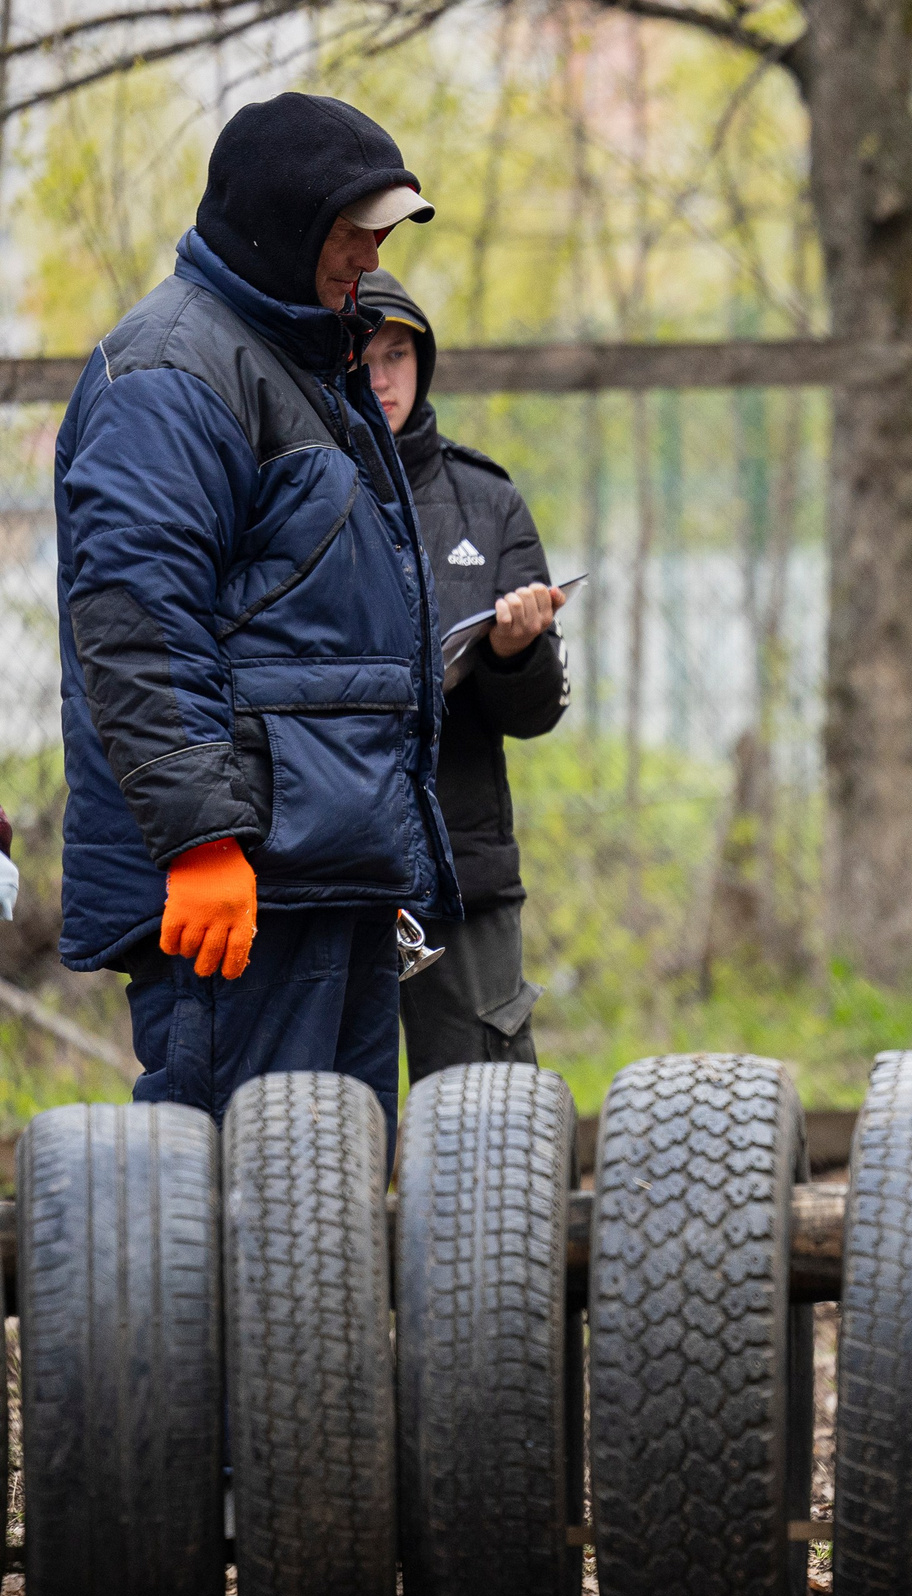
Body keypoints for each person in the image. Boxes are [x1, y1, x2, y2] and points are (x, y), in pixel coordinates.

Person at [54, 92, 454, 1132]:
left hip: (332, 875)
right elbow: (136, 622)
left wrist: (388, 850)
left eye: (380, 235)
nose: (368, 256)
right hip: (241, 888)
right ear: (280, 220)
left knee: (332, 1220)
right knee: (236, 1214)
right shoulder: (170, 373)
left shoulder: (310, 359)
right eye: (349, 231)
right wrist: (199, 845)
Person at [363, 272, 568, 1082]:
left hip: (464, 868)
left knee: (486, 1113)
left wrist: (517, 651)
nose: (380, 380)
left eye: (398, 355)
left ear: (423, 361)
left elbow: (538, 713)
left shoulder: (488, 502)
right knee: (317, 1126)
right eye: (362, 357)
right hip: (323, 870)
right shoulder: (282, 494)